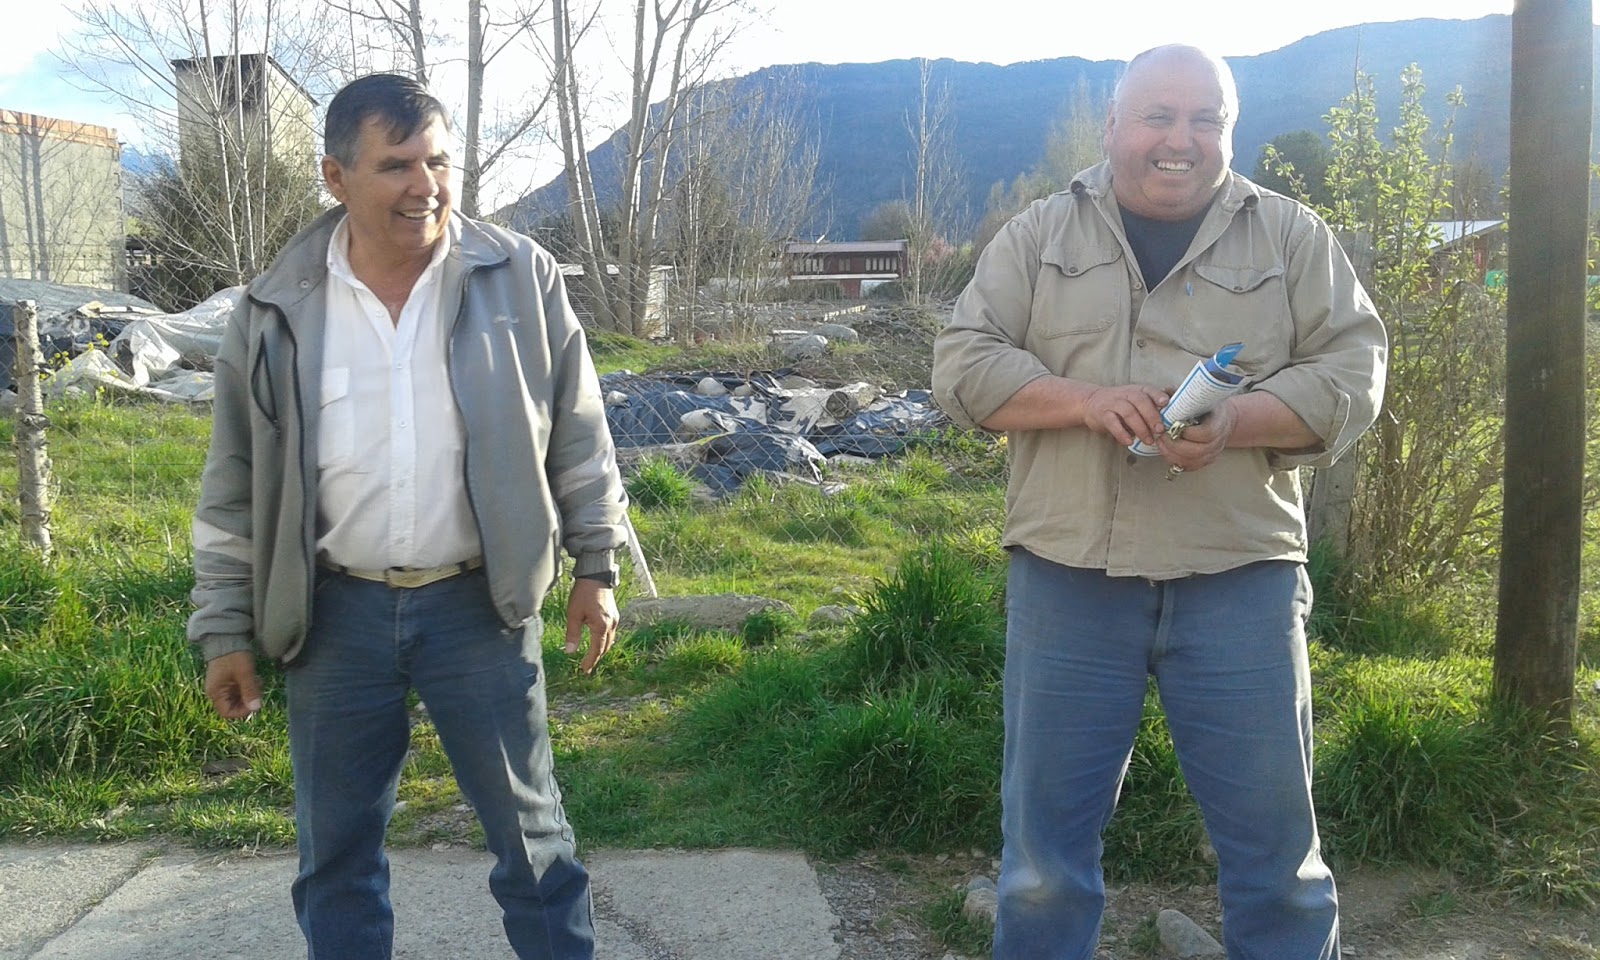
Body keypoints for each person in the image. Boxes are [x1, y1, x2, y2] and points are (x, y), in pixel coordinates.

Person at [932, 45, 1386, 960]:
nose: (1182, 139)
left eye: (1206, 120)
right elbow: (962, 364)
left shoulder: (1292, 236)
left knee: (1280, 872)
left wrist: (1237, 421)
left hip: (1241, 576)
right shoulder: (1038, 234)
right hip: (1068, 576)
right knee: (1041, 869)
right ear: (1112, 128)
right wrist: (1086, 402)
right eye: (1158, 117)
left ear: (1229, 131)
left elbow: (1355, 372)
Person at [188, 72, 629, 960]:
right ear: (335, 176)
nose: (425, 185)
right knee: (336, 861)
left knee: (534, 847)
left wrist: (596, 564)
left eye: (438, 161)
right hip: (333, 617)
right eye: (396, 165)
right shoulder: (275, 307)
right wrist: (224, 626)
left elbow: (578, 432)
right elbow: (233, 481)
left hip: (480, 609)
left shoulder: (519, 277)